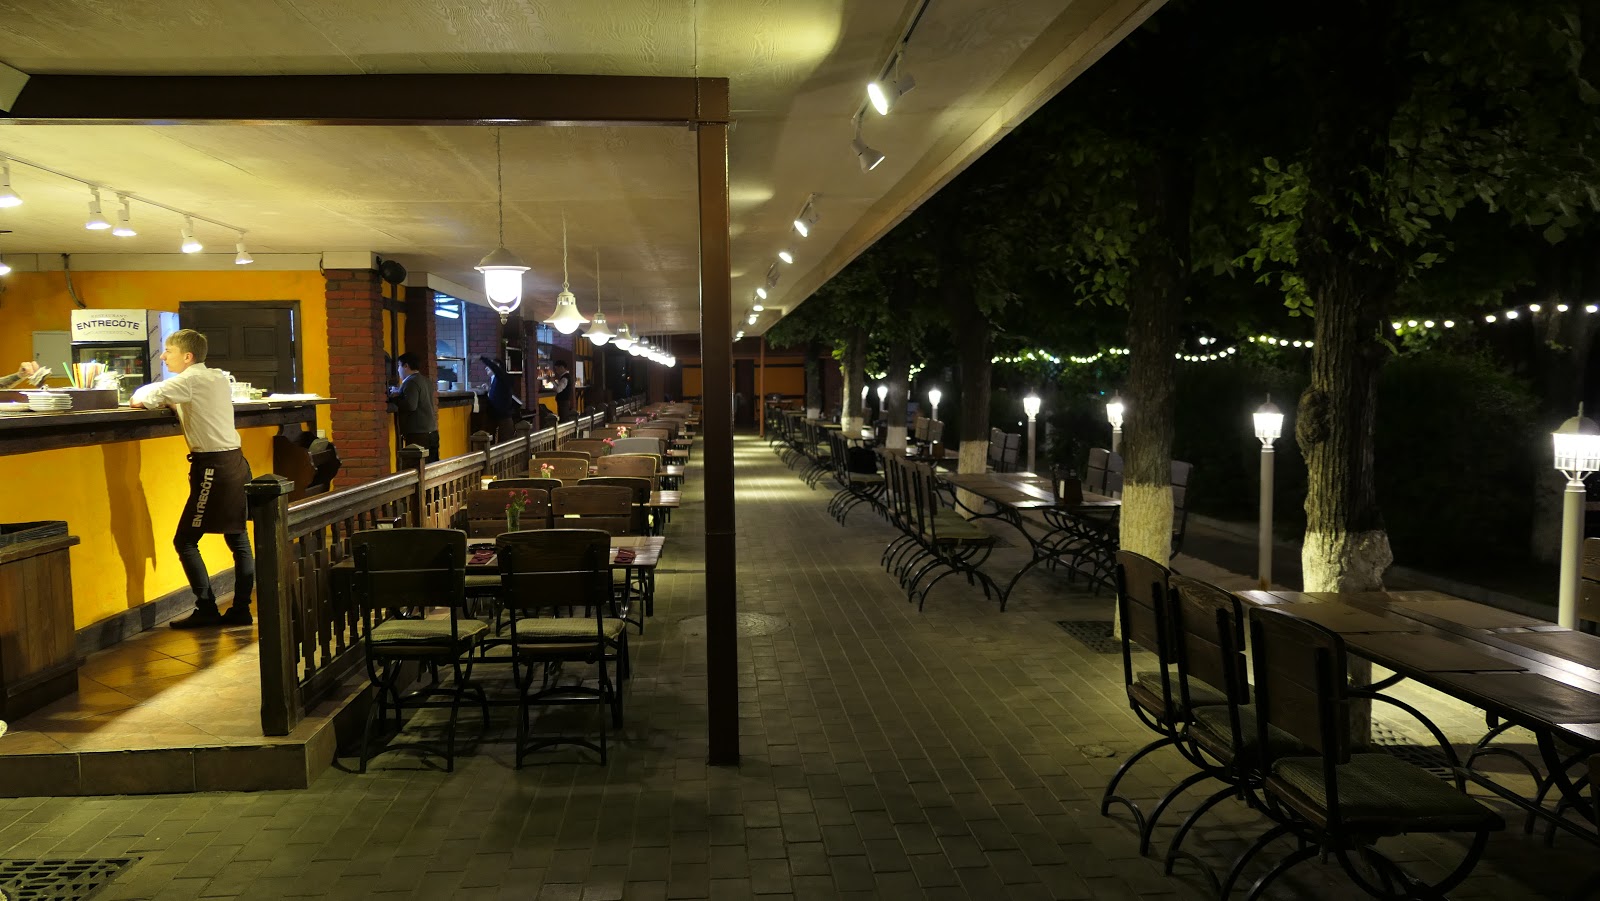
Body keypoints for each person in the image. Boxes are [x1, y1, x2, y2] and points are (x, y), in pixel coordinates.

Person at [130, 330, 254, 629]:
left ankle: (207, 608)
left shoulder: (188, 381)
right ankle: (240, 609)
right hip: (234, 462)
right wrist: (176, 404)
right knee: (237, 538)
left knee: (185, 541)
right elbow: (187, 402)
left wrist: (157, 397)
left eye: (168, 351)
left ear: (188, 356)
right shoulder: (216, 377)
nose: (163, 356)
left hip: (214, 468)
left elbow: (140, 399)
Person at [389, 352, 439, 463]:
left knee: (416, 466)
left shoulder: (411, 382)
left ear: (406, 366)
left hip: (418, 434)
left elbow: (410, 405)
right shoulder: (425, 380)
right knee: (432, 466)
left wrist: (394, 398)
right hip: (431, 431)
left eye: (399, 366)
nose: (398, 370)